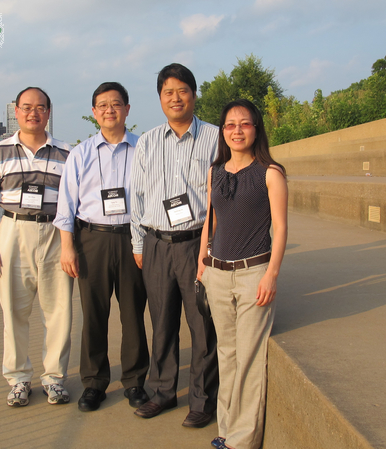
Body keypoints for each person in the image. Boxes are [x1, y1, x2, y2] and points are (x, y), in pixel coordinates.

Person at [130, 63, 219, 428]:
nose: (176, 98)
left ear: (194, 95)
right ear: (160, 98)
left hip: (198, 244)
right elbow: (137, 196)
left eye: (183, 90)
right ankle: (162, 392)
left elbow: (222, 197)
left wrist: (212, 248)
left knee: (202, 326)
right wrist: (138, 244)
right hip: (156, 244)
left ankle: (202, 400)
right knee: (162, 324)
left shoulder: (215, 137)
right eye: (168, 92)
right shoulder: (148, 141)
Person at [197, 99, 288, 449]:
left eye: (245, 124)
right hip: (218, 273)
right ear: (223, 131)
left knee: (249, 357)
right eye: (231, 125)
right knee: (227, 354)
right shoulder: (215, 172)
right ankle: (226, 428)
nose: (237, 130)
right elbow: (211, 221)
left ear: (256, 128)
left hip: (254, 274)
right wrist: (202, 262)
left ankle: (241, 440)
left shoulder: (270, 173)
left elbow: (280, 228)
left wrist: (272, 275)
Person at [54, 82, 150, 412]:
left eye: (116, 104)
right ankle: (94, 382)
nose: (110, 110)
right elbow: (66, 204)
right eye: (103, 105)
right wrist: (67, 247)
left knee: (133, 312)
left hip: (133, 239)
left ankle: (135, 380)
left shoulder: (143, 149)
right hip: (91, 239)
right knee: (94, 313)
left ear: (127, 109)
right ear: (94, 112)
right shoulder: (80, 153)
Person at [0, 87, 74, 407]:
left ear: (48, 112)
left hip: (55, 232)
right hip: (13, 231)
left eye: (40, 107)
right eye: (27, 107)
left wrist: (70, 245)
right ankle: (18, 378)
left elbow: (73, 202)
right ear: (16, 111)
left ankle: (54, 378)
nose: (33, 113)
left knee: (59, 310)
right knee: (13, 310)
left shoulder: (66, 152)